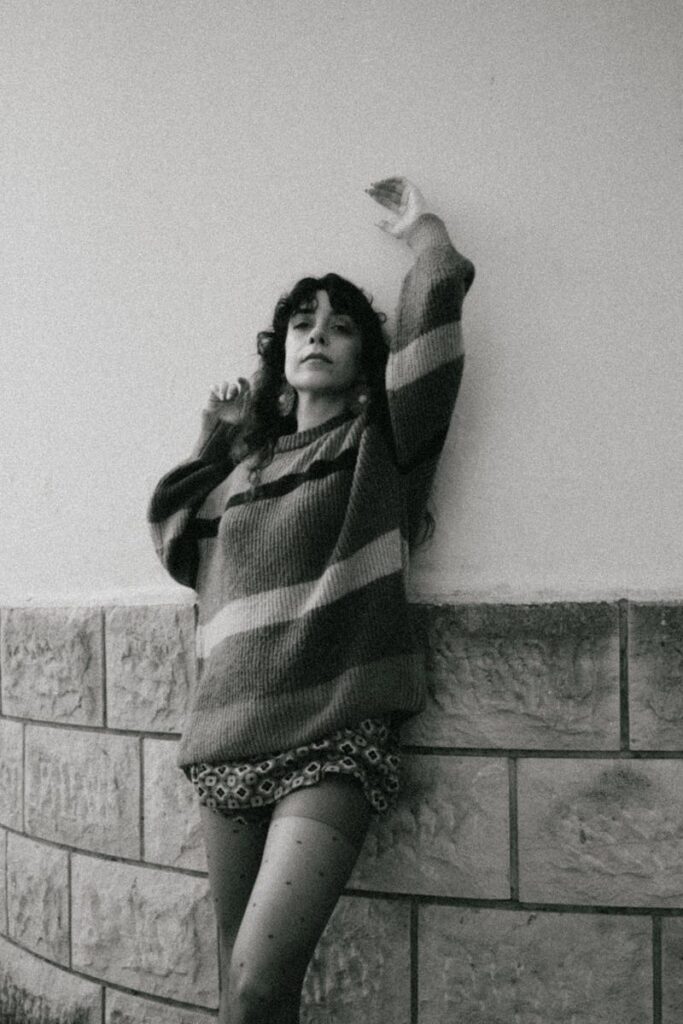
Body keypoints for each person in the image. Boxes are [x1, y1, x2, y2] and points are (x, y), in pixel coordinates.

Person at [148, 177, 475, 1024]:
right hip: (226, 738)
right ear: (279, 355)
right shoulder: (245, 473)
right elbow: (175, 536)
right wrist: (218, 434)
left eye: (337, 328)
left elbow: (434, 343)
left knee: (256, 985)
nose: (318, 336)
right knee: (246, 990)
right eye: (302, 325)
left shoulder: (381, 446)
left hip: (333, 736)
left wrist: (425, 236)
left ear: (365, 357)